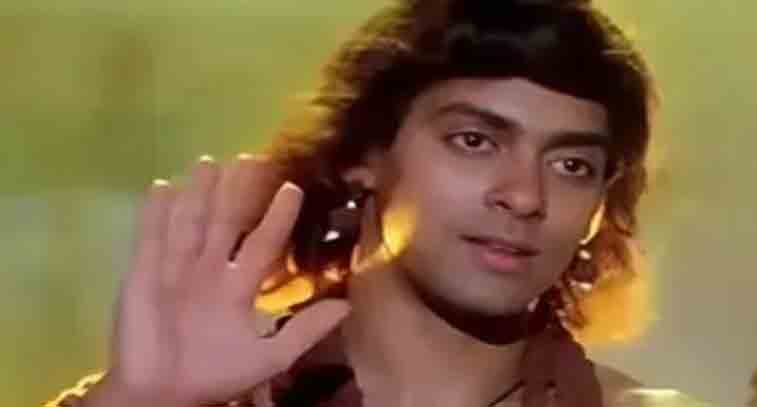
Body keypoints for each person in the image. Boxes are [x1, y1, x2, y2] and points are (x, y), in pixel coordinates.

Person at [46, 0, 705, 406]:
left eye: (571, 165)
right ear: (365, 156)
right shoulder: (201, 392)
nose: (526, 195)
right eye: (475, 141)